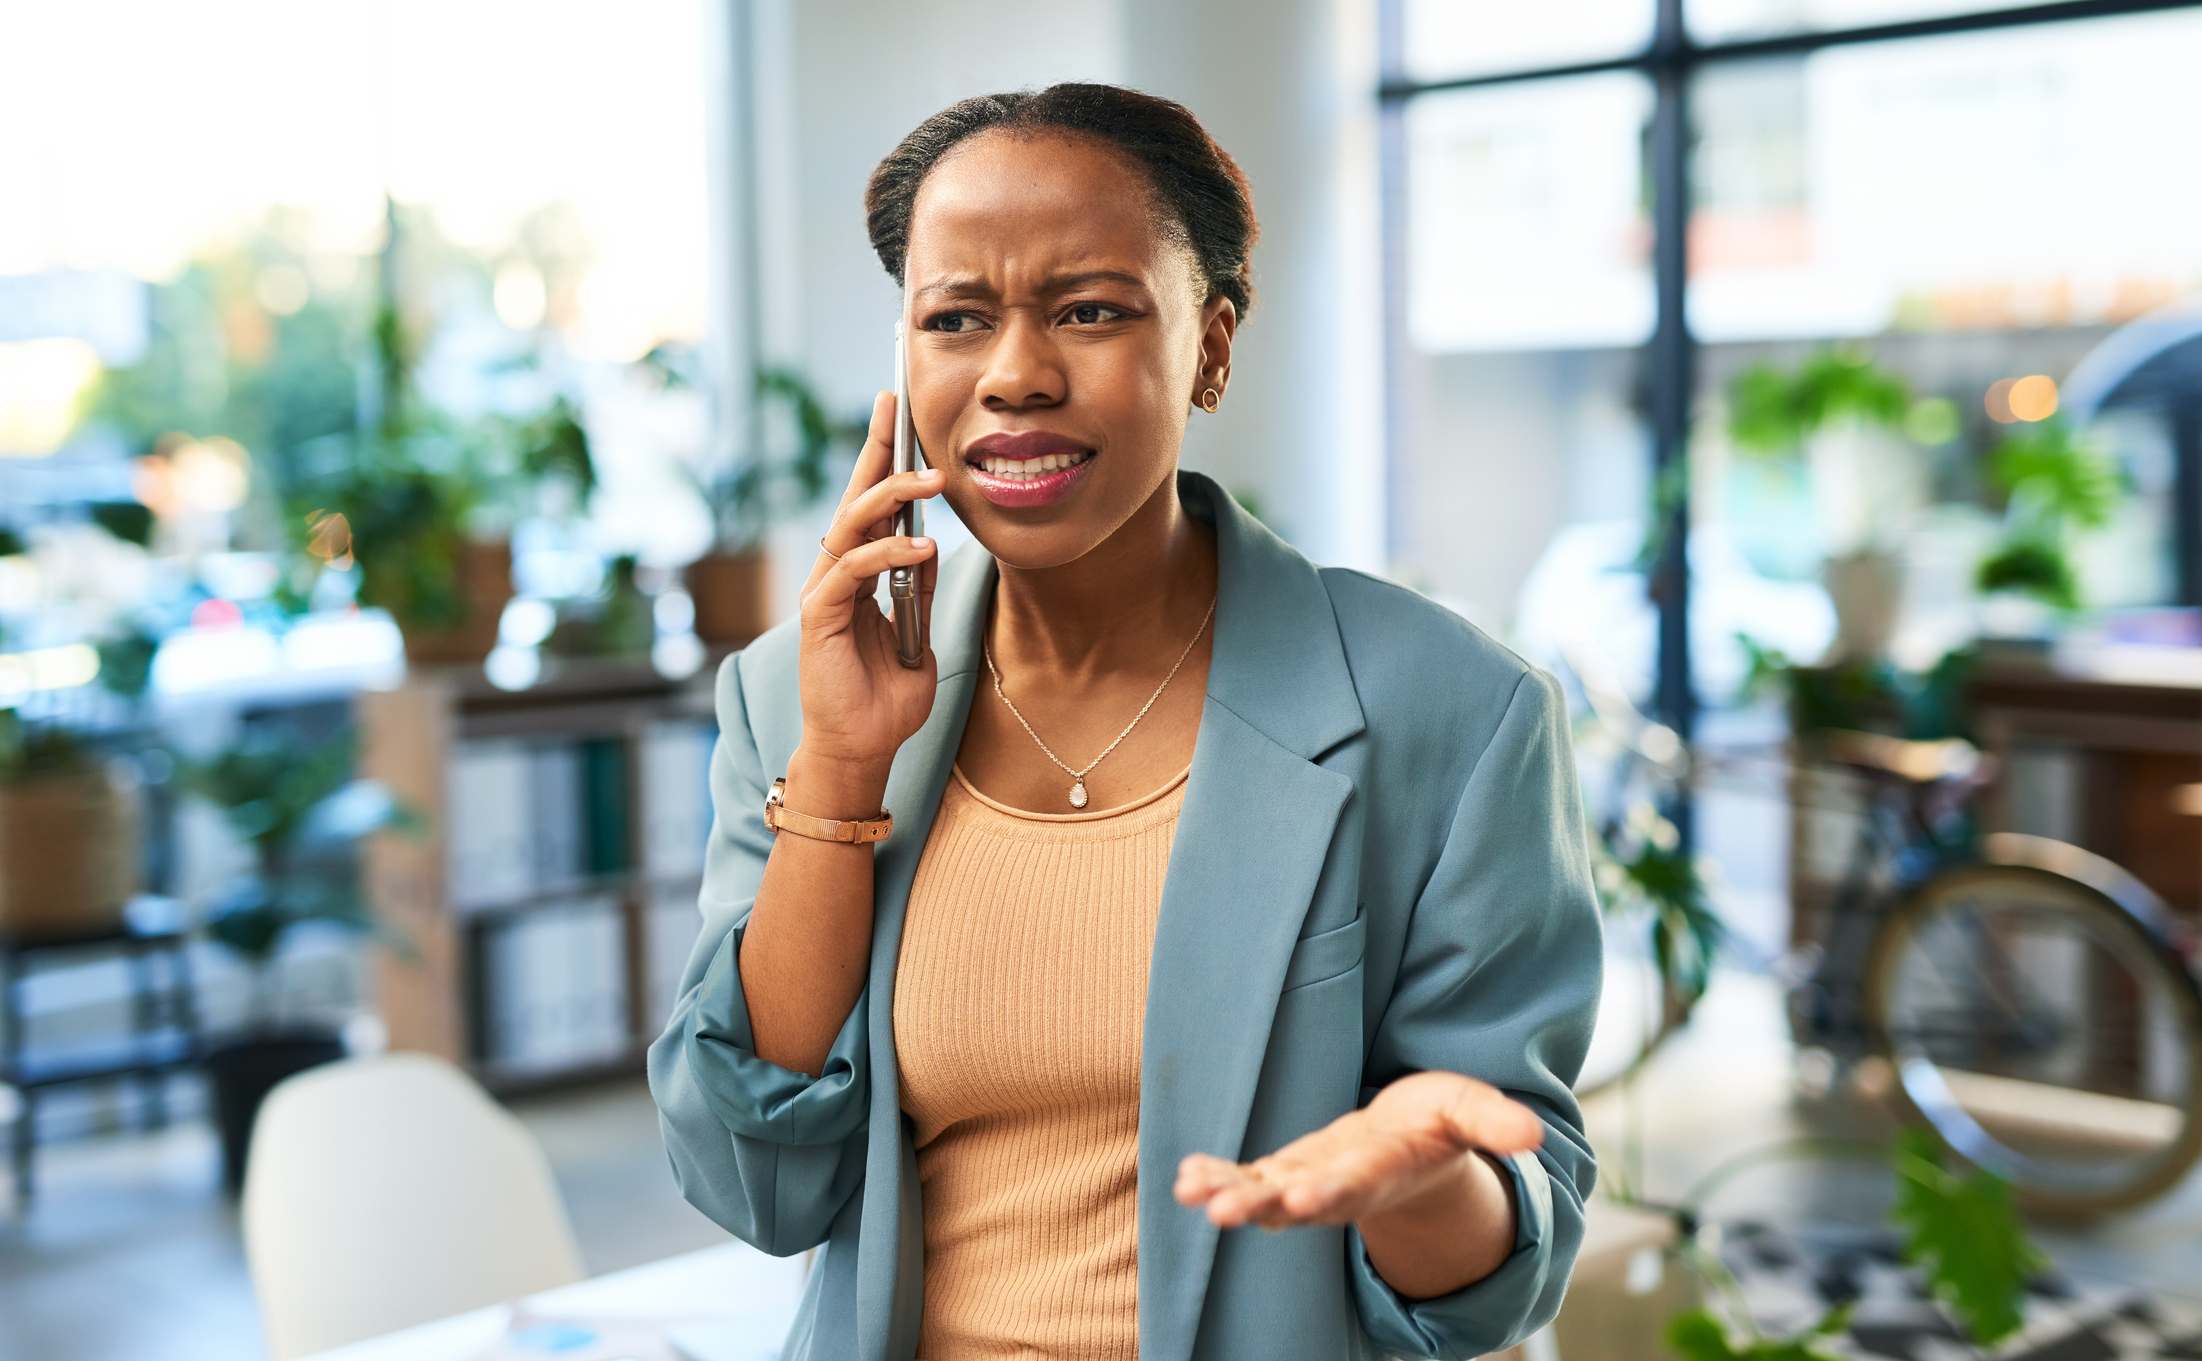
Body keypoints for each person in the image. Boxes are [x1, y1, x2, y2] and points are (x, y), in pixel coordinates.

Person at [649, 82, 1602, 1361]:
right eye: (956, 318)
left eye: (1090, 310)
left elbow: (1497, 1281)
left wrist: (1417, 1179)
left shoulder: (1452, 712)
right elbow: (752, 1182)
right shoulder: (794, 700)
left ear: (1210, 345)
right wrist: (842, 767)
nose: (1015, 375)